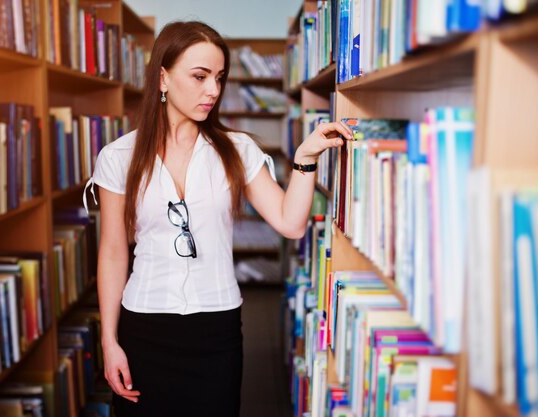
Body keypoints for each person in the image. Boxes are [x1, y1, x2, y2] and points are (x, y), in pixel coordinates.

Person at [84, 20, 353, 417]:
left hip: (216, 330)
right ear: (163, 77)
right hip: (143, 326)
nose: (213, 90)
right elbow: (111, 252)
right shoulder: (118, 157)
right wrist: (109, 341)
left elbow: (291, 223)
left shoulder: (237, 149)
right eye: (199, 76)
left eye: (219, 77)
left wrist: (305, 159)